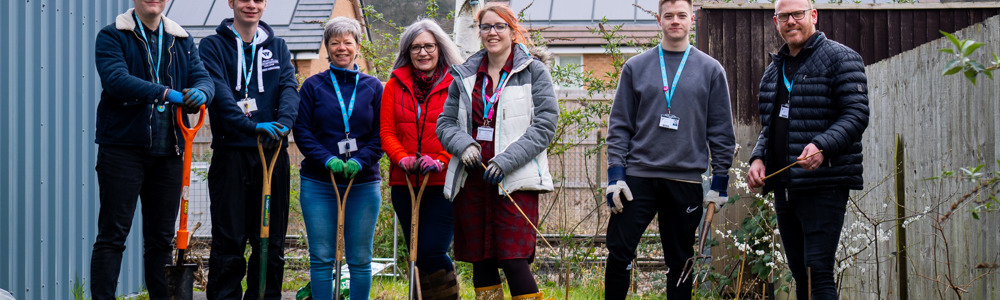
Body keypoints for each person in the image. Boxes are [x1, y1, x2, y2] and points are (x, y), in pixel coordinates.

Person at [602, 0, 736, 298]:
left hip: (685, 180)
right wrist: (615, 177)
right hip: (637, 179)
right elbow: (619, 126)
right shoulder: (635, 67)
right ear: (659, 21)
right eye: (669, 16)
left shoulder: (711, 70)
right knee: (619, 253)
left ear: (692, 20)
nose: (675, 21)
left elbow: (721, 131)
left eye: (681, 16)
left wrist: (720, 181)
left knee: (680, 260)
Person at [746, 0, 869, 298]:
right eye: (783, 16)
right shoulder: (774, 71)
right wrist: (759, 157)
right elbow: (770, 127)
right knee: (801, 273)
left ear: (813, 15)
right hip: (786, 186)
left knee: (818, 271)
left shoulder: (841, 59)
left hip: (824, 183)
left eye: (797, 14)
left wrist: (822, 145)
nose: (791, 21)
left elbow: (856, 115)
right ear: (776, 22)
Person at [92, 0, 214, 298]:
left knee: (161, 240)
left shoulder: (182, 40)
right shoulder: (113, 36)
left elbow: (203, 78)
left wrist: (202, 91)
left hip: (168, 153)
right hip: (122, 151)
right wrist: (166, 93)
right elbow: (117, 80)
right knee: (113, 236)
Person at [436, 4, 558, 300]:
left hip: (513, 180)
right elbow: (445, 123)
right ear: (479, 32)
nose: (492, 32)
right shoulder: (465, 75)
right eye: (486, 27)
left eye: (499, 26)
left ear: (513, 31)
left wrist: (505, 161)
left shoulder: (533, 72)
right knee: (482, 259)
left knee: (513, 259)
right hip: (474, 180)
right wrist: (462, 145)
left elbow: (544, 125)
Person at [197, 0, 301, 298]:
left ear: (265, 4)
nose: (251, 5)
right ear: (231, 3)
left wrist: (283, 123)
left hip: (272, 155)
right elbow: (220, 95)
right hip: (231, 155)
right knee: (229, 240)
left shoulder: (277, 46)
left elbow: (289, 89)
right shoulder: (212, 46)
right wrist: (252, 126)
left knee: (270, 240)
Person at [294, 16, 384, 300]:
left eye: (348, 42)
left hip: (363, 182)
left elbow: (383, 134)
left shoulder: (373, 87)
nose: (341, 48)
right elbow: (303, 131)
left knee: (359, 257)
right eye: (335, 42)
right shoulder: (312, 86)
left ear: (358, 46)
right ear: (327, 47)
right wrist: (326, 159)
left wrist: (362, 160)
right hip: (319, 182)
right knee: (321, 256)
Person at [380, 19, 463, 299]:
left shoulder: (456, 84)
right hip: (405, 182)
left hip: (442, 183)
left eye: (429, 46)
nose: (422, 52)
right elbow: (387, 131)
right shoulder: (393, 85)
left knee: (431, 250)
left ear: (439, 48)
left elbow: (461, 130)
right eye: (416, 47)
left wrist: (441, 158)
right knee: (415, 252)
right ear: (407, 51)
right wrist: (401, 157)